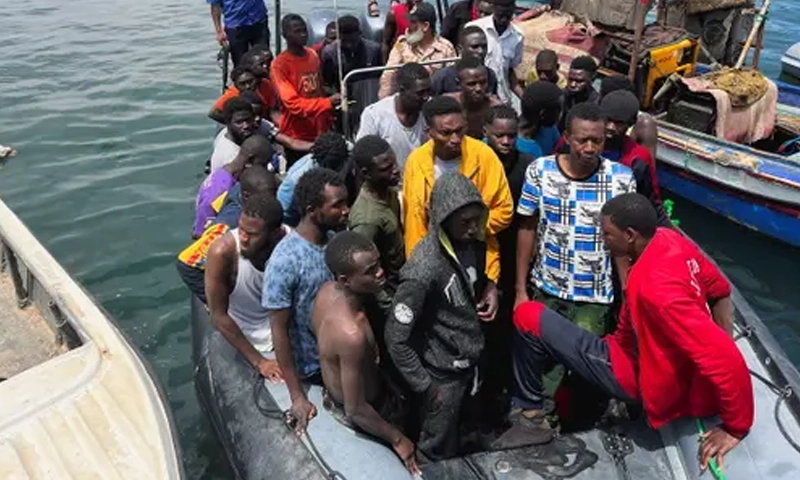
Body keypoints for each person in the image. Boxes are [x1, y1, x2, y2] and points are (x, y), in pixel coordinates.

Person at [494, 193, 752, 471]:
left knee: (527, 316)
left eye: (607, 234)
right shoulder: (670, 239)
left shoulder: (656, 291)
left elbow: (726, 359)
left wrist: (735, 428)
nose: (602, 240)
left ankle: (531, 418)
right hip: (636, 350)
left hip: (630, 372)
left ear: (630, 235)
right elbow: (720, 289)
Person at [386, 172, 500, 462]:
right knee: (435, 447)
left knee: (464, 432)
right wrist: (424, 385)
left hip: (471, 363)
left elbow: (473, 280)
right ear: (442, 219)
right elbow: (396, 337)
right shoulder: (423, 268)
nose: (474, 228)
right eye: (465, 222)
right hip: (441, 376)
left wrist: (490, 288)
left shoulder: (473, 243)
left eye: (477, 219)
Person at [514, 102, 635, 336]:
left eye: (597, 141)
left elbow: (622, 246)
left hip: (595, 298)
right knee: (545, 366)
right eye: (582, 140)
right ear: (567, 137)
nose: (590, 148)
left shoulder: (621, 178)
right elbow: (527, 228)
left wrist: (628, 298)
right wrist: (521, 290)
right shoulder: (540, 171)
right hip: (546, 290)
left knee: (584, 366)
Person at [312, 231, 420, 475]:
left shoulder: (326, 292)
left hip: (346, 392)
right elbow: (356, 409)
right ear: (345, 280)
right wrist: (398, 439)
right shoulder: (351, 334)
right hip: (368, 412)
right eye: (370, 271)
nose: (380, 272)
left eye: (378, 264)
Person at [262, 168, 350, 434]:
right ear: (313, 210)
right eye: (337, 206)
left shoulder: (335, 243)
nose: (346, 210)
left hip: (341, 357)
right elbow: (279, 330)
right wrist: (297, 396)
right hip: (312, 367)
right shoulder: (285, 260)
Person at [403, 95, 513, 284]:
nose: (455, 139)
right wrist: (418, 269)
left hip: (479, 262)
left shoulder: (483, 156)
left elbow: (504, 210)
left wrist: (470, 230)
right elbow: (414, 221)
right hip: (434, 263)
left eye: (460, 130)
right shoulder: (416, 161)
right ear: (429, 131)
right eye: (446, 133)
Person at [206, 194, 287, 383]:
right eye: (241, 230)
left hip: (284, 331)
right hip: (248, 334)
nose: (243, 238)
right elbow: (218, 315)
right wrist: (260, 362)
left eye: (252, 234)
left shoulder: (289, 244)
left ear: (275, 234)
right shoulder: (222, 253)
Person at [177, 166, 277, 303]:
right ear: (247, 196)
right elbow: (186, 263)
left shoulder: (238, 190)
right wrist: (218, 301)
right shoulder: (228, 226)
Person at [271, 14, 340, 167]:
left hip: (321, 129)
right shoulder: (280, 65)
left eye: (304, 30)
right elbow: (293, 104)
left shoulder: (312, 55)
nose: (303, 34)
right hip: (298, 135)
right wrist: (328, 103)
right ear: (285, 35)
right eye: (297, 31)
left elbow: (319, 89)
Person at [599, 90, 669, 226]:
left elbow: (652, 202)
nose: (611, 127)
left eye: (619, 123)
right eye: (607, 120)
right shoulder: (580, 145)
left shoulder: (638, 159)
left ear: (631, 123)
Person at [349, 136, 404, 295]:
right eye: (386, 168)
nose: (395, 170)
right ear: (367, 174)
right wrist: (388, 306)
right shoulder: (366, 221)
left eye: (394, 163)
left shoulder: (389, 193)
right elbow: (364, 273)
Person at [195, 134, 274, 238]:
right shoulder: (219, 190)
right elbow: (203, 233)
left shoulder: (226, 172)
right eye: (263, 164)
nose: (265, 169)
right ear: (250, 161)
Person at [357, 63, 430, 173]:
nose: (426, 97)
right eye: (420, 93)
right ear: (402, 90)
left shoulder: (431, 110)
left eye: (428, 91)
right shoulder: (374, 114)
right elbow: (363, 156)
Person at [379, 3, 457, 99]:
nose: (408, 25)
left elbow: (451, 78)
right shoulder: (402, 45)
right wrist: (384, 100)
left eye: (413, 22)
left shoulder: (446, 48)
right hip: (407, 100)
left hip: (436, 100)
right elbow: (388, 74)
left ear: (425, 26)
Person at [320, 15, 383, 134]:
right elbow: (326, 83)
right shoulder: (330, 53)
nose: (349, 45)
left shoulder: (374, 50)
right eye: (345, 41)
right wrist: (335, 96)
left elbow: (379, 77)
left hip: (369, 102)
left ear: (360, 33)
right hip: (343, 106)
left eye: (353, 41)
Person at [277, 132, 350, 227]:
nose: (338, 169)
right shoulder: (295, 180)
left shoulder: (344, 153)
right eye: (333, 166)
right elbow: (284, 211)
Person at [466, 0, 524, 104]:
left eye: (508, 15)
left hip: (502, 100)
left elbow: (509, 70)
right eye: (501, 14)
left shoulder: (518, 37)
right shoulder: (474, 29)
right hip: (476, 100)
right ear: (494, 9)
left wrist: (523, 96)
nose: (504, 19)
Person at [210, 48, 281, 124]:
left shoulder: (266, 85)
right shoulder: (233, 93)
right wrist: (233, 124)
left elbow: (273, 109)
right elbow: (213, 113)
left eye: (250, 81)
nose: (248, 86)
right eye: (242, 84)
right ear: (236, 85)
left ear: (256, 79)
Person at [237, 90, 314, 159]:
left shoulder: (264, 125)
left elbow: (291, 142)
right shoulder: (234, 135)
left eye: (260, 114)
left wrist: (317, 146)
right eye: (253, 115)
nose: (257, 118)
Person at [431, 26, 498, 96]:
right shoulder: (442, 78)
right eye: (475, 47)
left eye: (484, 47)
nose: (481, 51)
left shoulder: (490, 75)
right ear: (460, 49)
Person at [445, 56, 503, 139]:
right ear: (458, 84)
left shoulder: (496, 108)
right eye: (472, 84)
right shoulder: (447, 105)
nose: (478, 89)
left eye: (483, 82)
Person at [209, 0, 270, 66]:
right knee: (240, 64)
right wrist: (219, 32)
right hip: (235, 25)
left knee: (264, 60)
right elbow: (215, 6)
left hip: (258, 20)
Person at [209, 97, 258, 173]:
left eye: (248, 120)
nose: (246, 125)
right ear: (227, 123)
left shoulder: (236, 133)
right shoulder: (231, 155)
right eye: (239, 122)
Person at [520, 81, 562, 156]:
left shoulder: (550, 130)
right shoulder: (514, 145)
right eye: (558, 110)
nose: (560, 115)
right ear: (543, 113)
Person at [560, 55, 600, 131]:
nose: (573, 85)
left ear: (593, 78)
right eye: (570, 79)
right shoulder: (562, 96)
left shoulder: (596, 104)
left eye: (579, 81)